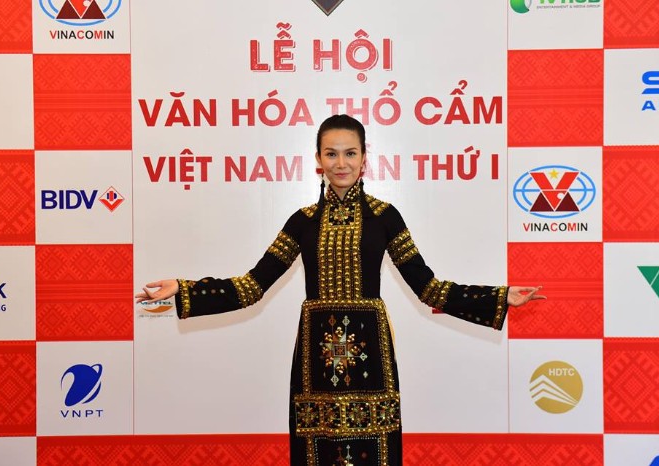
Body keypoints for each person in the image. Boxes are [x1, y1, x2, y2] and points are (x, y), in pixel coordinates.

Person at [136, 114, 545, 466]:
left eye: (350, 153)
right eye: (331, 153)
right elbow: (252, 286)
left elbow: (428, 287)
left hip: (372, 355)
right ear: (318, 159)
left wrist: (499, 297)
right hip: (316, 357)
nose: (341, 162)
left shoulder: (385, 217)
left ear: (365, 158)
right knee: (316, 447)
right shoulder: (302, 221)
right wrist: (185, 290)